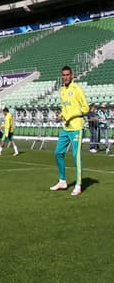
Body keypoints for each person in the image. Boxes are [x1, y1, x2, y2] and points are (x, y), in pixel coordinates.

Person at [50, 66, 89, 196]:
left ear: (71, 75)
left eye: (67, 75)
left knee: (75, 156)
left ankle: (78, 185)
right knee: (58, 153)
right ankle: (62, 181)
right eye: (63, 75)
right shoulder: (61, 90)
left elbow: (85, 108)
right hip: (66, 128)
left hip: (77, 127)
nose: (65, 77)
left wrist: (70, 116)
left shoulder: (77, 88)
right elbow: (65, 108)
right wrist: (61, 115)